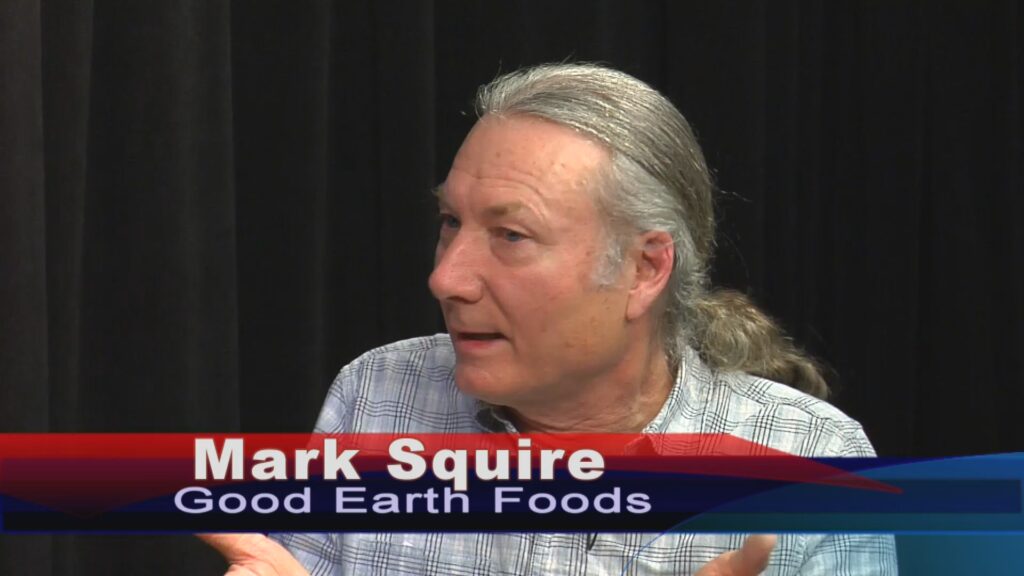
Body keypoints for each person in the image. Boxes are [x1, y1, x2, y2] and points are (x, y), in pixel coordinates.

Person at [201, 63, 897, 575]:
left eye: (511, 235)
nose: (446, 278)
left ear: (644, 269)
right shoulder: (379, 397)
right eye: (450, 222)